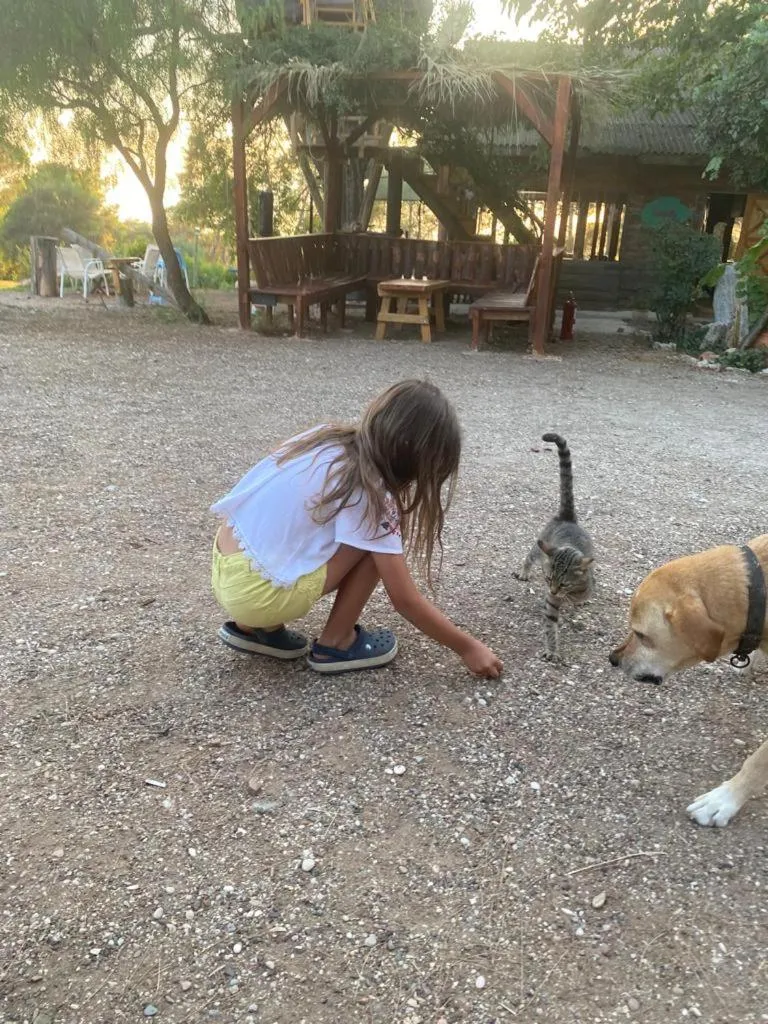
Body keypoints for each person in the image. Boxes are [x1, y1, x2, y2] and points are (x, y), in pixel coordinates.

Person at [210, 379, 503, 679]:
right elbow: (404, 599)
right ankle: (336, 642)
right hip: (259, 596)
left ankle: (255, 629)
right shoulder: (374, 496)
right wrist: (468, 647)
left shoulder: (324, 438)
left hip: (225, 567)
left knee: (325, 533)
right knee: (377, 545)